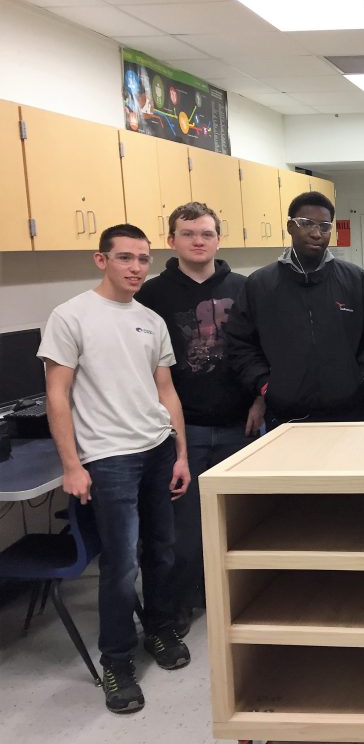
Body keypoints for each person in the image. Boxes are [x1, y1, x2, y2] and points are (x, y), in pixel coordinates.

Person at [38, 224, 192, 714]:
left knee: (163, 552)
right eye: (125, 258)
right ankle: (117, 661)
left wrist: (181, 452)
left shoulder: (150, 319)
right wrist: (71, 465)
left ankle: (161, 631)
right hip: (108, 459)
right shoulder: (70, 316)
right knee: (121, 564)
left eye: (144, 259)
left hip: (157, 449)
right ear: (100, 260)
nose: (135, 268)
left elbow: (166, 392)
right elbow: (57, 395)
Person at [136, 202, 264, 633]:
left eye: (206, 234)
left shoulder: (246, 288)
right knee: (182, 536)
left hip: (240, 427)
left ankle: (228, 597)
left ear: (218, 239)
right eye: (188, 234)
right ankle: (175, 611)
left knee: (237, 526)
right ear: (171, 240)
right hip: (180, 431)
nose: (198, 241)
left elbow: (261, 353)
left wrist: (259, 401)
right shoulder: (151, 296)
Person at [226, 191, 364, 425]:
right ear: (290, 227)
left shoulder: (355, 280)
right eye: (306, 224)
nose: (316, 233)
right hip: (286, 415)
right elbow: (239, 343)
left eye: (324, 226)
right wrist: (265, 384)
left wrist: (361, 376)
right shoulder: (260, 284)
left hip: (349, 412)